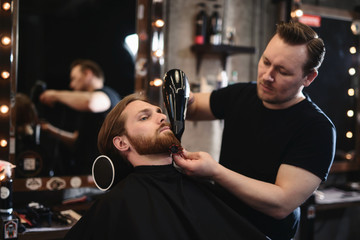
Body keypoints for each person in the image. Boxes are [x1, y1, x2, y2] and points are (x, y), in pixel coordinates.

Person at [173, 21, 336, 240]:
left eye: (283, 71)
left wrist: (215, 171)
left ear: (308, 77)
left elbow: (281, 203)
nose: (267, 76)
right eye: (266, 62)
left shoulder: (317, 129)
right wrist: (181, 92)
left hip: (263, 233)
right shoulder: (242, 94)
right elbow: (192, 108)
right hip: (220, 221)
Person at [64, 93, 268, 240]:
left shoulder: (201, 182)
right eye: (145, 117)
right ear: (122, 143)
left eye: (159, 112)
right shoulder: (116, 205)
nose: (162, 117)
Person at [39, 59, 121, 174]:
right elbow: (76, 142)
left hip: (99, 176)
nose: (71, 85)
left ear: (87, 73)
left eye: (74, 78)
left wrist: (55, 95)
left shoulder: (108, 95)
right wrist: (50, 130)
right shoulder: (86, 109)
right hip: (84, 172)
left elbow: (90, 102)